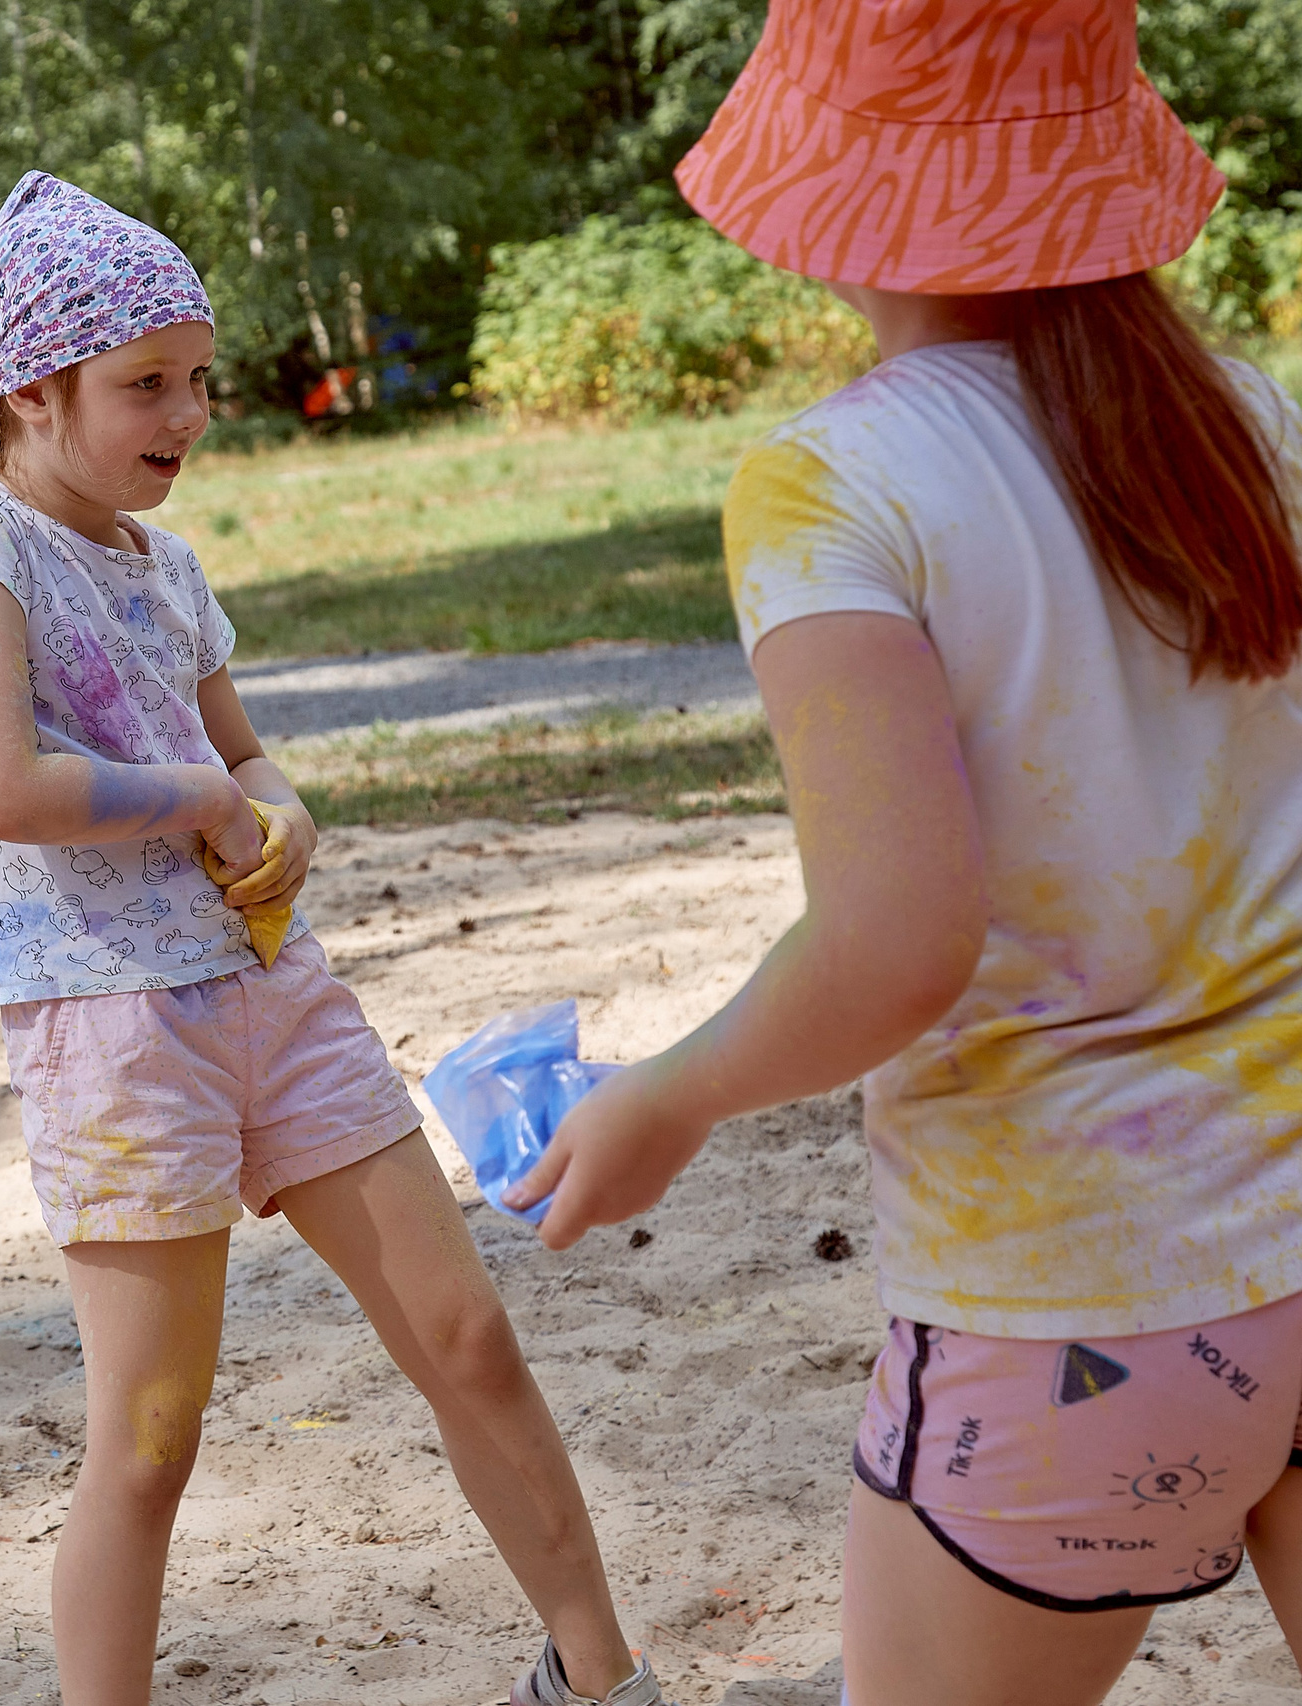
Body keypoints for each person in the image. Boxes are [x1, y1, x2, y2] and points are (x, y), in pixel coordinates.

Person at [502, 4, 1302, 1702]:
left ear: (835, 186)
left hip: (1083, 1296)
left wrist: (669, 1095)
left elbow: (893, 943)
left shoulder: (834, 483)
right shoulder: (1253, 422)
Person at [0, 171, 662, 1706]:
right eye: (147, 384)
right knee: (149, 1438)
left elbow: (246, 758)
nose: (189, 413)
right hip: (113, 1032)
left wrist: (283, 812)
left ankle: (599, 1681)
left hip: (274, 995)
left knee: (469, 1338)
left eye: (200, 378)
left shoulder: (167, 566)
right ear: (29, 389)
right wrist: (196, 797)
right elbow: (2, 785)